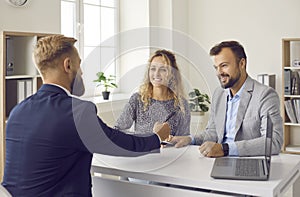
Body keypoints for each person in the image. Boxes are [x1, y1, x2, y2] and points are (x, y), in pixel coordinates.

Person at [1, 35, 170, 197]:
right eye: (79, 65)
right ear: (68, 65)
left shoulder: (17, 112)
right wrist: (157, 137)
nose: (81, 72)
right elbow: (121, 144)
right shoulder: (77, 113)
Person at [169, 41, 283, 157]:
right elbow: (212, 133)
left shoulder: (265, 95)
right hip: (218, 159)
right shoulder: (219, 94)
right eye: (216, 67)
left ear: (242, 63)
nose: (219, 73)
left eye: (224, 66)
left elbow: (273, 142)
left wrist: (225, 149)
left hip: (247, 161)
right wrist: (189, 139)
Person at [115, 49, 191, 137]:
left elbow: (184, 140)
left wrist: (168, 140)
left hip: (170, 151)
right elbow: (118, 130)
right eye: (153, 69)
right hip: (142, 150)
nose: (156, 74)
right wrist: (139, 139)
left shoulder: (181, 105)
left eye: (163, 69)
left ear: (172, 74)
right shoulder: (137, 99)